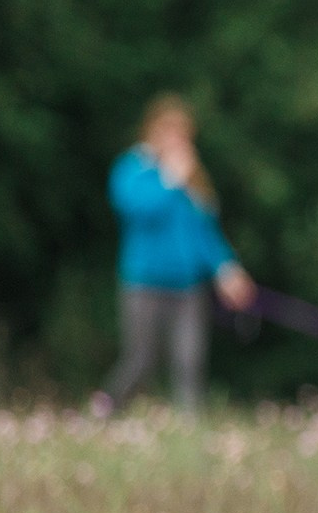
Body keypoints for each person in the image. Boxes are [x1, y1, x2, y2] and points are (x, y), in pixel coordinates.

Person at [99, 95, 257, 413]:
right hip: (144, 283)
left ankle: (190, 435)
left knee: (190, 361)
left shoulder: (192, 179)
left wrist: (227, 269)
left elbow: (204, 232)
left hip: (187, 286)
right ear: (153, 132)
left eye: (184, 135)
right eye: (171, 134)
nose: (179, 142)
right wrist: (171, 180)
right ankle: (104, 412)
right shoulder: (133, 170)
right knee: (140, 360)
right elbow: (137, 211)